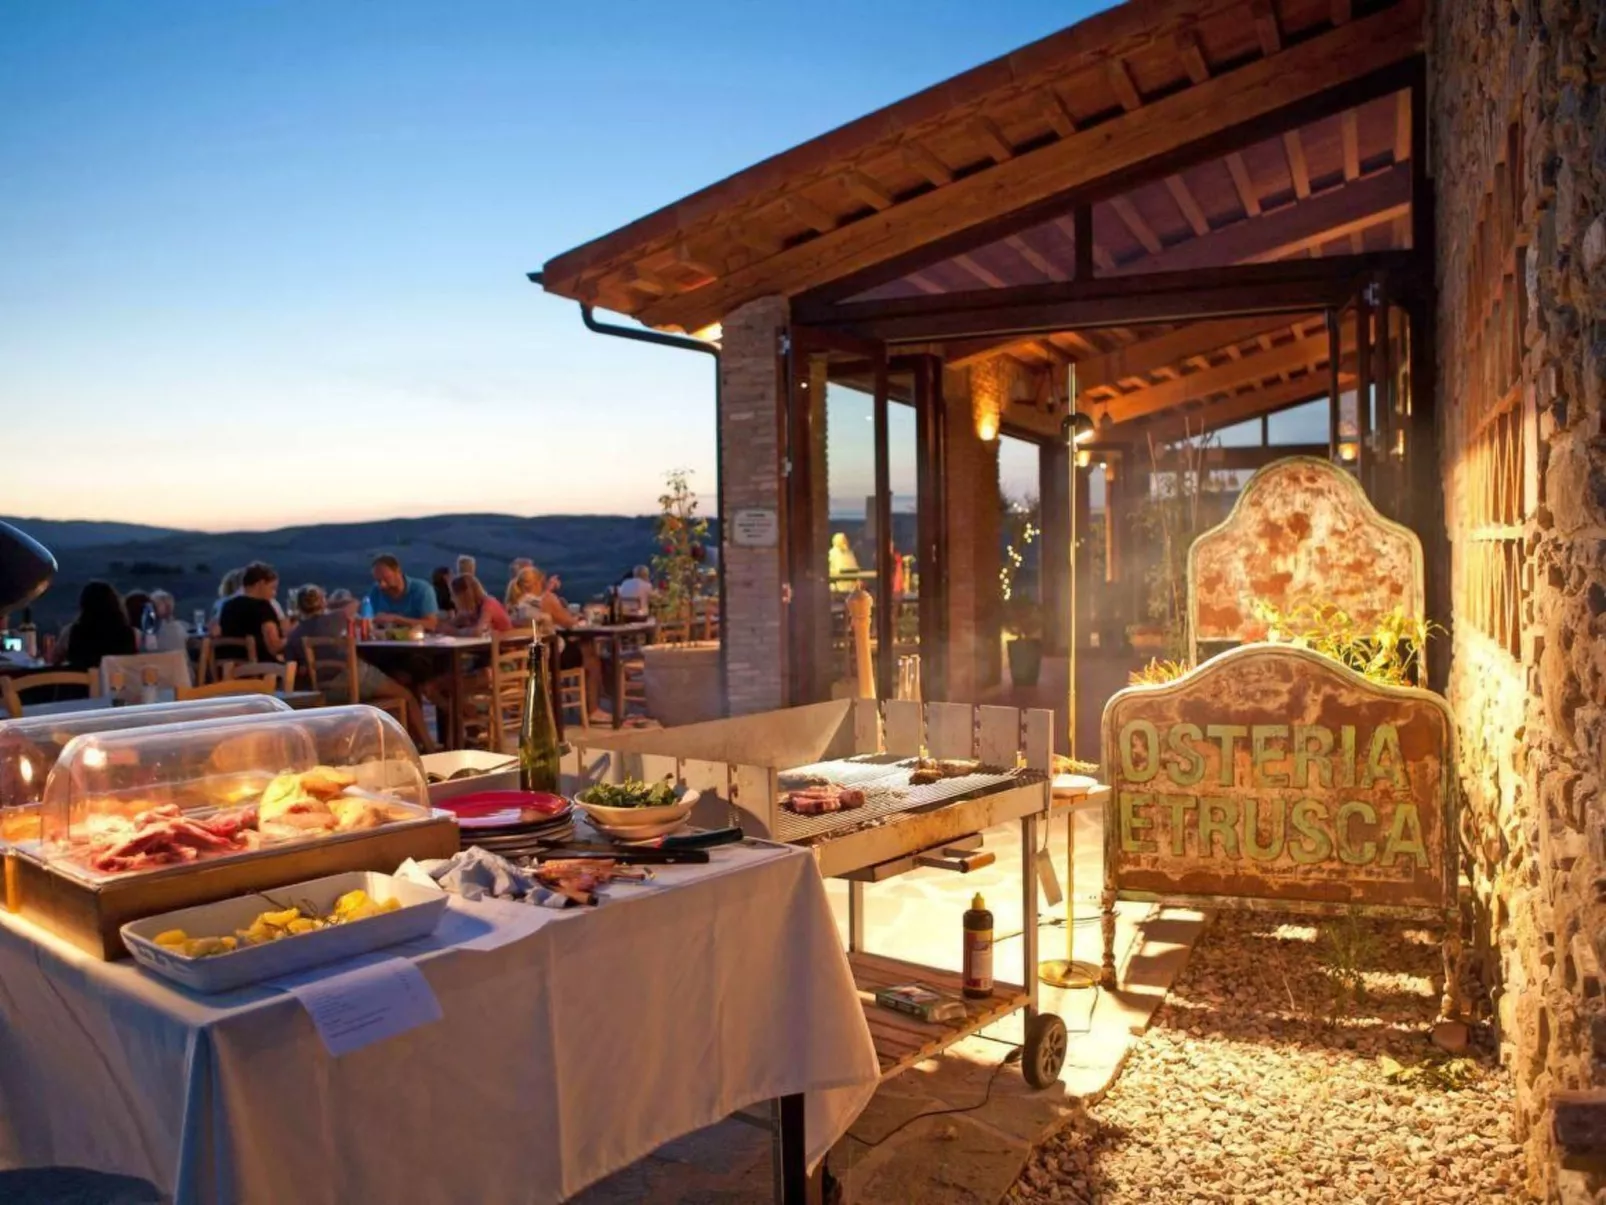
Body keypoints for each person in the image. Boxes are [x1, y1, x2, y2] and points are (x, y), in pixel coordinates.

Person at [285, 585, 434, 750]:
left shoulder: (295, 634)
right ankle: (428, 747)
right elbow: (355, 603)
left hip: (326, 690)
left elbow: (295, 667)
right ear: (322, 602)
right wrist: (331, 603)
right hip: (352, 678)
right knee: (407, 696)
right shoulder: (336, 617)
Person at [52, 581, 137, 671]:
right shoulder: (130, 633)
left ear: (83, 605)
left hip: (81, 679)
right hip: (117, 679)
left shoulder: (70, 632)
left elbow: (56, 661)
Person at [218, 562, 288, 662]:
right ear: (261, 584)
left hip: (231, 665)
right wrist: (292, 638)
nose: (274, 593)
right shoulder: (263, 606)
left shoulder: (227, 606)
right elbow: (274, 647)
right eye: (272, 588)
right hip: (261, 666)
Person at [366, 555, 439, 631]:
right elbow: (367, 616)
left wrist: (395, 619)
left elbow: (431, 625)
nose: (382, 585)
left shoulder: (422, 590)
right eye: (378, 581)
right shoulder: (376, 590)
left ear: (398, 572)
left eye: (386, 579)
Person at [442, 575, 512, 635]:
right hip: (490, 644)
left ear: (463, 595)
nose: (452, 599)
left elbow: (479, 631)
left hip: (506, 645)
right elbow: (446, 627)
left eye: (454, 595)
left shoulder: (489, 604)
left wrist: (456, 631)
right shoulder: (470, 610)